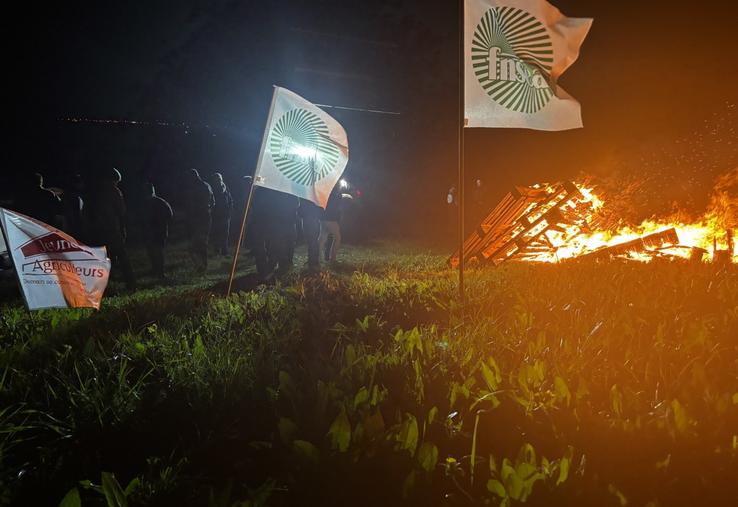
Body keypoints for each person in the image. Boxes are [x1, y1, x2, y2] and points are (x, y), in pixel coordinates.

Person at [86, 168, 136, 289]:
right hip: (112, 229)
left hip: (97, 230)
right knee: (122, 255)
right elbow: (121, 211)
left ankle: (105, 284)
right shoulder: (114, 191)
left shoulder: (94, 192)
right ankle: (130, 282)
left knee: (103, 258)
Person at [250, 187, 299, 280]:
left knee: (277, 244)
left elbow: (295, 204)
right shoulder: (263, 190)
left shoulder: (279, 189)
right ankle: (267, 269)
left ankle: (274, 267)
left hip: (276, 220)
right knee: (269, 245)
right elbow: (255, 203)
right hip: (267, 220)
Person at [183, 169, 214, 273]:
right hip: (203, 216)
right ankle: (201, 265)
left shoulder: (197, 187)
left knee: (199, 243)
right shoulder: (206, 185)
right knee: (200, 243)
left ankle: (202, 266)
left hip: (200, 218)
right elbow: (213, 202)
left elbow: (193, 204)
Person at [143, 183, 173, 281]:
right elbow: (170, 214)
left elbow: (169, 214)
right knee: (154, 251)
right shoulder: (159, 201)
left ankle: (159, 271)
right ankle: (157, 270)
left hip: (156, 231)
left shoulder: (152, 202)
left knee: (156, 252)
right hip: (156, 231)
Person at [319, 188, 350, 262]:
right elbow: (338, 199)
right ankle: (332, 258)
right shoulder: (335, 193)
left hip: (323, 217)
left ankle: (319, 258)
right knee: (337, 238)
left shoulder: (325, 191)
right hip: (331, 219)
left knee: (322, 239)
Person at [209, 172, 234, 256]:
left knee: (225, 233)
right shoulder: (212, 188)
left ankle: (224, 251)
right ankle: (216, 250)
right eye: (217, 179)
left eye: (219, 179)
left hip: (225, 214)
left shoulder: (225, 188)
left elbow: (230, 200)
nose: (218, 180)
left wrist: (230, 210)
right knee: (216, 232)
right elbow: (211, 200)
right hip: (216, 214)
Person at [298, 198, 322, 271]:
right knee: (313, 241)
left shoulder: (303, 197)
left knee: (312, 242)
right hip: (315, 220)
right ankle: (313, 261)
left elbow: (300, 212)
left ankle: (313, 263)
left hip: (308, 221)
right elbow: (320, 210)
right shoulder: (316, 197)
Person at [61, 173, 85, 240]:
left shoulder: (66, 195)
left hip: (67, 227)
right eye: (81, 182)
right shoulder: (74, 197)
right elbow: (75, 214)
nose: (83, 185)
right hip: (74, 228)